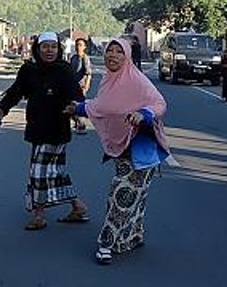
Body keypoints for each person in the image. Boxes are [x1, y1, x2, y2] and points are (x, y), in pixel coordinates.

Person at [74, 38, 174, 264]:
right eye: (110, 51)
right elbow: (102, 106)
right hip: (121, 149)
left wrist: (144, 114)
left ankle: (106, 243)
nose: (113, 55)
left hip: (142, 150)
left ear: (127, 56)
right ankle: (133, 235)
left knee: (122, 196)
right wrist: (78, 108)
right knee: (132, 196)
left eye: (119, 51)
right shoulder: (108, 81)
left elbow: (160, 104)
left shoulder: (138, 81)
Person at [0, 30, 90, 230]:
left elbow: (77, 96)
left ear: (59, 49)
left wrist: (75, 110)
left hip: (57, 129)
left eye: (53, 47)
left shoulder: (64, 70)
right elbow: (15, 92)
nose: (49, 51)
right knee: (54, 173)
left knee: (38, 172)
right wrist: (1, 110)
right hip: (36, 128)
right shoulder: (29, 70)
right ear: (37, 49)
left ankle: (39, 214)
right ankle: (78, 206)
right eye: (45, 47)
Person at [69, 38, 93, 134]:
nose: (78, 47)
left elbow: (88, 73)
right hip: (72, 86)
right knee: (70, 105)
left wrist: (86, 86)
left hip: (81, 86)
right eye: (76, 45)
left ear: (84, 47)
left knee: (79, 106)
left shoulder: (85, 58)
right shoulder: (73, 58)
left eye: (80, 45)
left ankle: (82, 125)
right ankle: (77, 123)